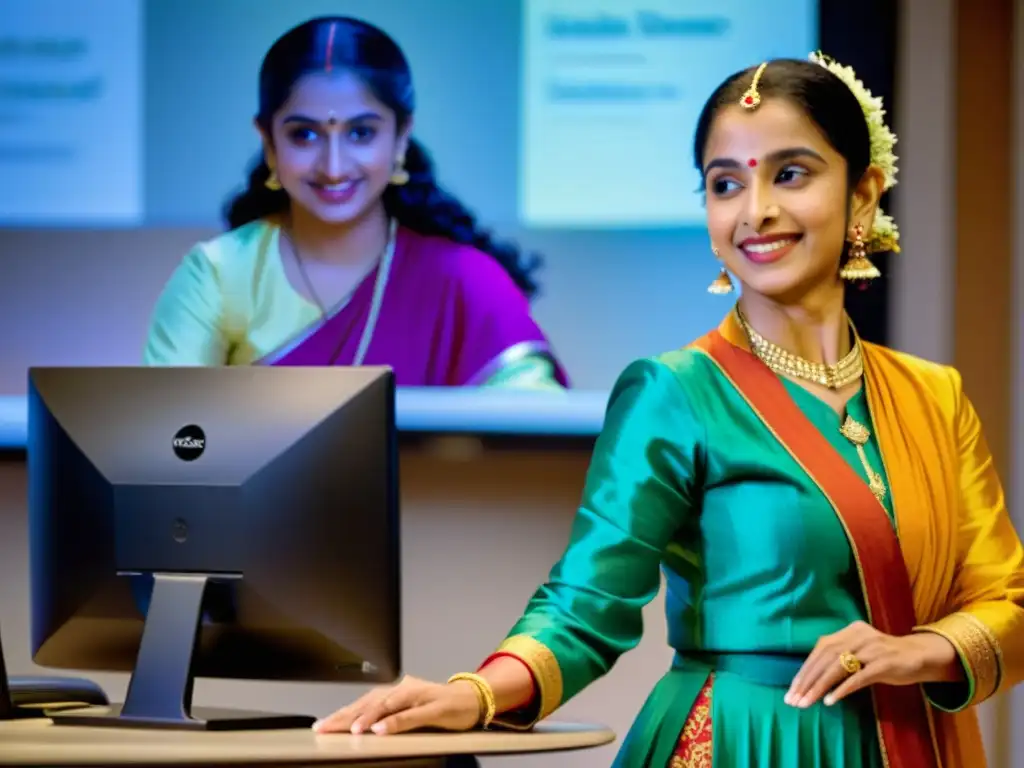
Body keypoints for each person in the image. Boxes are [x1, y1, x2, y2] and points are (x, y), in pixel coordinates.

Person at [311, 54, 1024, 767]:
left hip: (914, 742)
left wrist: (917, 652)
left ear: (864, 192)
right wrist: (479, 693)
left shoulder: (933, 396)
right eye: (725, 184)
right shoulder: (674, 390)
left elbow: (1008, 602)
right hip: (750, 743)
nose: (756, 210)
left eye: (791, 173)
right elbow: (588, 600)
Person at [142, 16, 568, 390]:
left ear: (401, 137)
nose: (333, 166)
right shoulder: (219, 276)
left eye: (361, 133)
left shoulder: (463, 281)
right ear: (268, 142)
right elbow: (167, 438)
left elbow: (532, 433)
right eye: (304, 135)